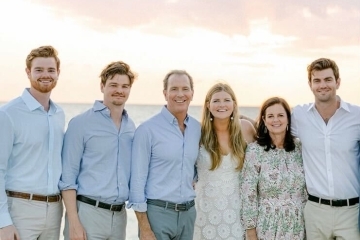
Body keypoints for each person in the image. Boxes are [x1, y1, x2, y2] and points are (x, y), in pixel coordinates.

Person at [59, 61, 136, 240]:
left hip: (119, 216)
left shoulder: (130, 126)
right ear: (102, 86)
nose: (120, 90)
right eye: (113, 85)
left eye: (125, 86)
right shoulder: (81, 124)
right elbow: (67, 178)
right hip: (88, 214)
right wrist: (74, 222)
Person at [0, 45, 64, 240]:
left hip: (54, 210)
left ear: (58, 73)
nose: (46, 75)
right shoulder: (8, 114)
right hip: (20, 208)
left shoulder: (59, 114)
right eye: (39, 70)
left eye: (51, 70)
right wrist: (3, 222)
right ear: (28, 72)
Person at [291, 58, 360, 239]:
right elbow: (271, 127)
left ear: (337, 82)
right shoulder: (299, 116)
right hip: (315, 211)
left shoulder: (357, 116)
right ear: (310, 84)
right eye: (317, 80)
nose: (323, 85)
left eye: (328, 79)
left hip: (352, 213)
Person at [129, 70, 201, 240]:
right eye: (174, 89)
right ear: (165, 93)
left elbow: (196, 166)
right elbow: (137, 182)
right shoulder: (147, 130)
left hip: (188, 215)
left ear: (192, 94)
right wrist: (144, 228)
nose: (180, 94)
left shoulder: (197, 129)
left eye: (185, 89)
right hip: (158, 215)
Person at [193, 83, 256, 239]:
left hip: (237, 211)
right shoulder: (197, 132)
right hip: (204, 211)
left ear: (234, 104)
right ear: (208, 105)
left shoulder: (246, 129)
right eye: (216, 101)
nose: (222, 105)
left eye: (227, 100)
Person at [241, 97, 306, 240]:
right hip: (265, 226)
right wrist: (250, 230)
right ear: (264, 120)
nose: (276, 120)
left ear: (288, 119)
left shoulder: (300, 148)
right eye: (270, 116)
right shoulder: (255, 151)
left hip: (297, 225)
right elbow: (248, 192)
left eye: (281, 115)